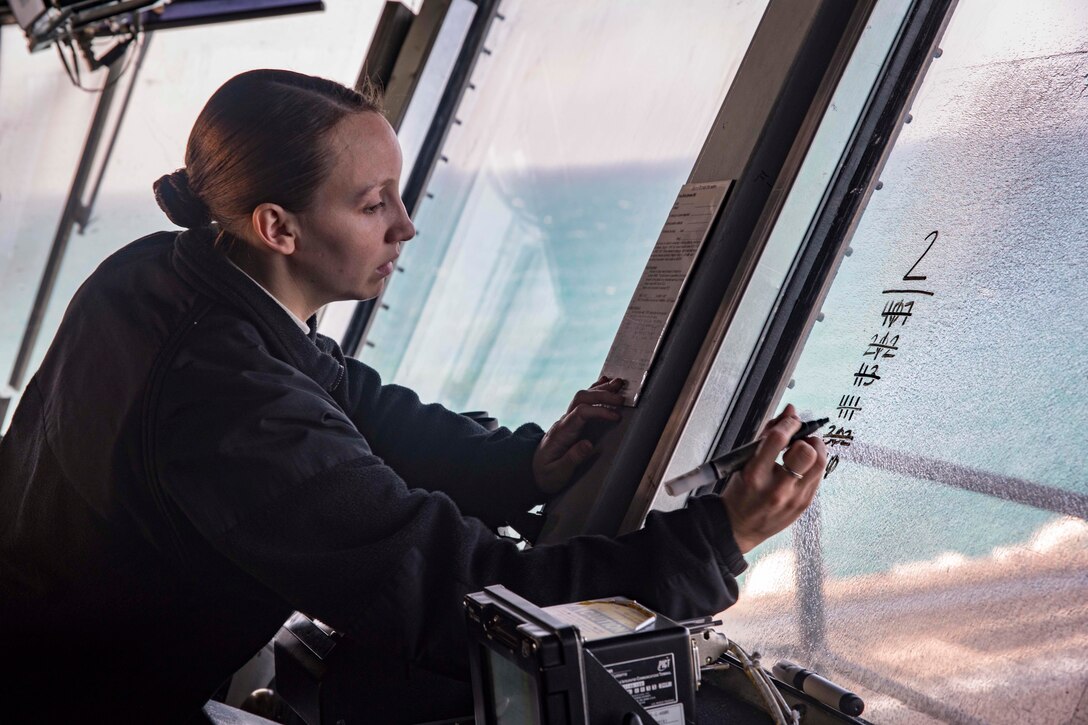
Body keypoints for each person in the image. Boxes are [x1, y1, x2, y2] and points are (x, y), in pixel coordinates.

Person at [0, 69, 825, 723]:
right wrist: (716, 540)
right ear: (277, 227)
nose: (405, 224)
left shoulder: (166, 270)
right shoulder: (228, 402)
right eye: (372, 203)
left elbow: (344, 400)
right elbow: (447, 595)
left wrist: (521, 465)